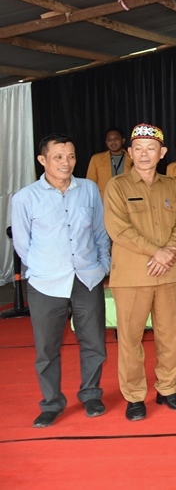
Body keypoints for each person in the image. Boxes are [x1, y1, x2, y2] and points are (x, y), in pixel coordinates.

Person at [11, 134, 111, 428]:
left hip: (87, 278)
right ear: (42, 160)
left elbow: (99, 232)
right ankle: (52, 403)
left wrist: (103, 266)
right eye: (58, 157)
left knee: (94, 343)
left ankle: (91, 394)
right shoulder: (25, 198)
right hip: (46, 284)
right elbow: (22, 244)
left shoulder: (89, 189)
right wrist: (44, 268)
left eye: (70, 156)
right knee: (47, 349)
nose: (66, 163)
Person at [104, 123, 176, 421]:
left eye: (150, 149)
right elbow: (118, 229)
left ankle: (168, 389)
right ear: (129, 152)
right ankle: (134, 396)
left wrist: (167, 252)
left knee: (170, 336)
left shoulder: (170, 186)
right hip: (132, 275)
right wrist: (157, 251)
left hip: (168, 273)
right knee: (130, 339)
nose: (144, 154)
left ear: (162, 153)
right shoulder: (117, 186)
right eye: (138, 149)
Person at [85, 127, 133, 197]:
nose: (112, 142)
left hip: (127, 199)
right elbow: (90, 184)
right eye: (109, 139)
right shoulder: (96, 159)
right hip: (104, 200)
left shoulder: (132, 158)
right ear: (106, 142)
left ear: (123, 140)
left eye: (116, 139)